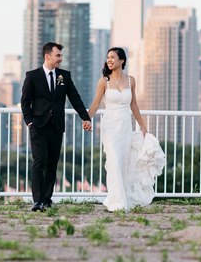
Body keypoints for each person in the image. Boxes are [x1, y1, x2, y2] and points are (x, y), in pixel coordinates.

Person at [87, 47, 165, 212]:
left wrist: (142, 125)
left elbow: (134, 104)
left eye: (113, 57)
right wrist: (87, 118)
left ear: (121, 61)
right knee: (114, 161)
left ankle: (121, 197)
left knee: (123, 163)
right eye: (107, 57)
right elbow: (95, 104)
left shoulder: (131, 81)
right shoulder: (103, 82)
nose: (109, 60)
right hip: (110, 127)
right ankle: (118, 202)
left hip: (125, 127)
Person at [21, 42, 92, 212]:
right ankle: (37, 200)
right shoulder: (32, 76)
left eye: (61, 55)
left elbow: (75, 98)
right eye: (58, 55)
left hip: (56, 126)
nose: (61, 58)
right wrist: (30, 122)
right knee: (39, 162)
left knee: (52, 164)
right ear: (47, 56)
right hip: (38, 126)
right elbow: (25, 102)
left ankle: (47, 199)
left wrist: (86, 117)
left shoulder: (64, 76)